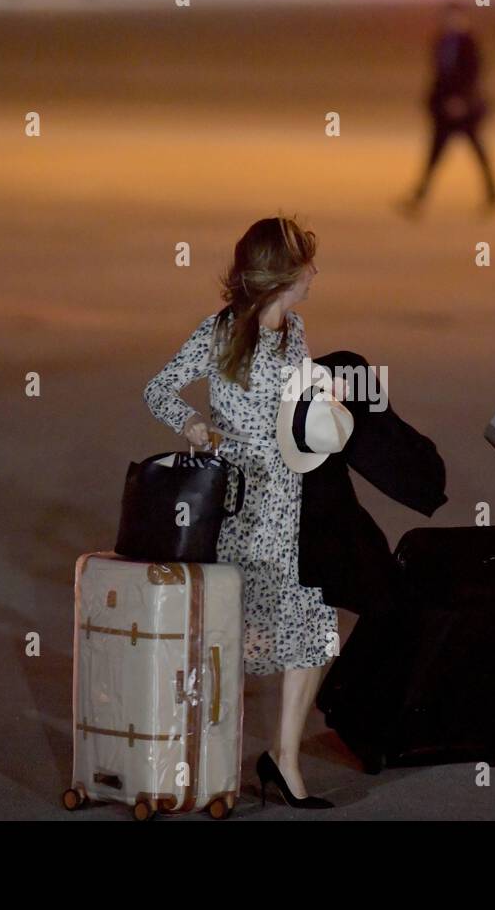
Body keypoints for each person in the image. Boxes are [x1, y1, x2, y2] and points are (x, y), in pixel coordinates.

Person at [142, 215, 338, 809]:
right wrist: (195, 424)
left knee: (314, 628)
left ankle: (285, 761)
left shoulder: (296, 332)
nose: (314, 273)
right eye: (306, 262)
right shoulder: (222, 331)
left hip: (294, 495)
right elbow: (158, 388)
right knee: (228, 635)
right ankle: (208, 761)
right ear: (281, 275)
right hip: (238, 504)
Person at [401, 1, 495, 215]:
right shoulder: (440, 41)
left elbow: (473, 74)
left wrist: (461, 100)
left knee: (477, 152)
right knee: (435, 156)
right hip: (443, 110)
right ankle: (419, 197)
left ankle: (493, 194)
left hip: (465, 110)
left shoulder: (469, 43)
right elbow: (438, 75)